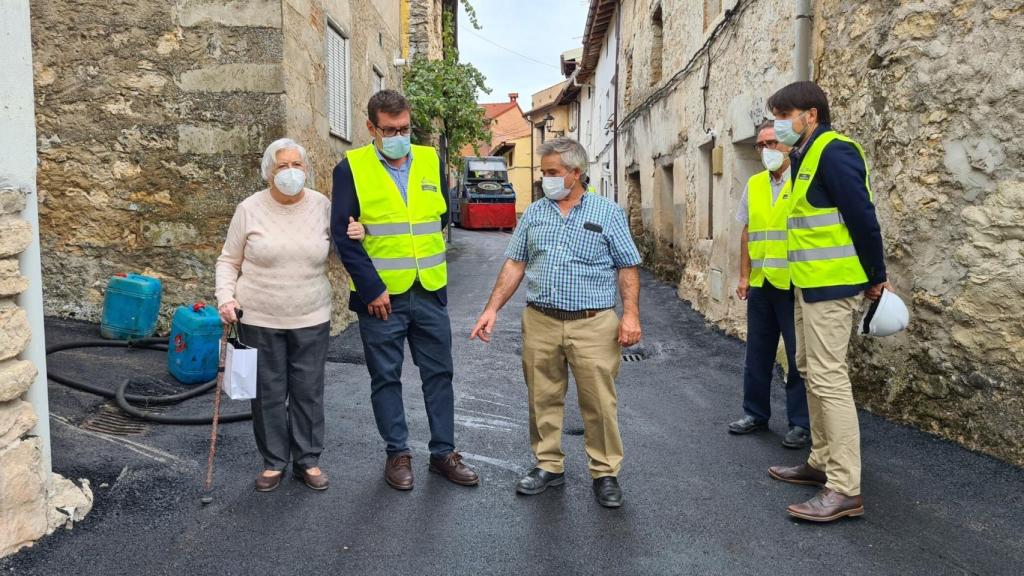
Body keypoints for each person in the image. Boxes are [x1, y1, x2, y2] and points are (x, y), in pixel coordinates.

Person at [470, 137, 642, 509]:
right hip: (541, 321)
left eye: (552, 173)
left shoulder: (608, 212)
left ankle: (605, 471)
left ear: (575, 174)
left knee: (599, 403)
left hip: (593, 323)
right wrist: (492, 309)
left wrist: (630, 315)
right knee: (542, 398)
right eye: (543, 172)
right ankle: (548, 465)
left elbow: (627, 265)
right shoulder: (534, 213)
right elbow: (515, 263)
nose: (545, 179)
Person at [330, 90, 478, 491]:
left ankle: (443, 453)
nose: (399, 135)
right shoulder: (351, 168)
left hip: (429, 290)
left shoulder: (430, 159)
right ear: (371, 128)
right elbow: (343, 236)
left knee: (439, 373)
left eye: (404, 128)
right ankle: (397, 453)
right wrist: (371, 287)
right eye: (389, 129)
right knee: (385, 377)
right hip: (381, 299)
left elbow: (440, 214)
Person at [764, 81, 890, 523]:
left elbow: (862, 216)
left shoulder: (834, 151)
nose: (779, 123)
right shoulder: (803, 156)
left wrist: (877, 277)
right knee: (809, 371)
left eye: (784, 113)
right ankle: (820, 462)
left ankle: (844, 488)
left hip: (834, 287)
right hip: (809, 285)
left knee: (830, 380)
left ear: (810, 115)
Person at [215, 138, 333, 492]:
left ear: (307, 170)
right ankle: (274, 462)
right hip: (259, 316)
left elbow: (341, 252)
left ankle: (308, 460)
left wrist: (358, 234)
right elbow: (228, 260)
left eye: (297, 165)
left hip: (311, 314)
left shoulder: (323, 206)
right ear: (268, 173)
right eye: (282, 166)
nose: (290, 172)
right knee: (267, 392)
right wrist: (225, 297)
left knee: (308, 391)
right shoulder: (249, 209)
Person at [729, 122, 810, 449]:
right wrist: (744, 275)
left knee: (796, 357)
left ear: (789, 145)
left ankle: (800, 424)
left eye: (773, 143)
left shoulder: (804, 181)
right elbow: (748, 232)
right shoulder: (755, 184)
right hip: (762, 283)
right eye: (761, 145)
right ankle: (755, 413)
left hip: (794, 285)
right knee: (757, 354)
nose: (767, 151)